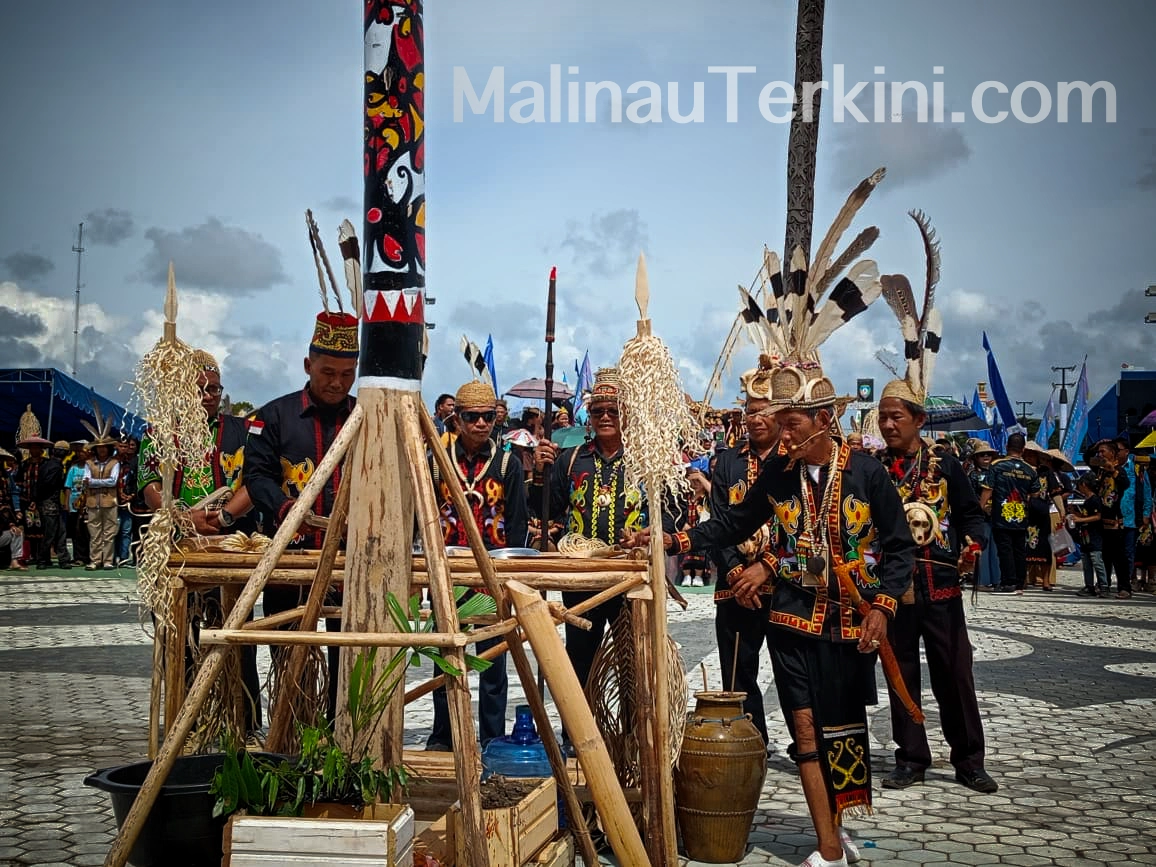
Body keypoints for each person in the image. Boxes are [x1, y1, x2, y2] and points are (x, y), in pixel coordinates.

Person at [629, 361, 915, 867]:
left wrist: (884, 610)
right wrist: (670, 539)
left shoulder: (866, 473)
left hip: (847, 624)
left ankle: (838, 827)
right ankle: (827, 847)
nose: (785, 434)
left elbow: (899, 549)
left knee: (840, 731)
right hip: (789, 621)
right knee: (803, 730)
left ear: (824, 419)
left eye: (793, 424)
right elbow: (732, 522)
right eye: (782, 424)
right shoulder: (780, 474)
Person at [875, 391, 996, 794]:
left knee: (955, 672)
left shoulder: (946, 467)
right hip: (891, 590)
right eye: (882, 418)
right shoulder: (874, 469)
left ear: (918, 421)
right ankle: (910, 757)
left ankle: (968, 759)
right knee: (900, 673)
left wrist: (972, 545)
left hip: (939, 585)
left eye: (896, 417)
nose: (888, 425)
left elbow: (970, 516)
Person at [139, 350, 262, 732]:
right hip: (178, 547)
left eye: (215, 389)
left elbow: (257, 479)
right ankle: (185, 723)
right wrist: (182, 517)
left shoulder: (243, 431)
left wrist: (225, 515)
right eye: (201, 389)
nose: (209, 396)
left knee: (236, 635)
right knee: (181, 637)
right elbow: (148, 482)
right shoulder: (159, 432)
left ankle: (244, 721)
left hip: (229, 545)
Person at [245, 306, 358, 721]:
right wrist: (284, 508)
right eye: (328, 372)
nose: (337, 383)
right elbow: (255, 477)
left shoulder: (364, 418)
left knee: (346, 660)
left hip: (348, 564)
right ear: (308, 365)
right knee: (290, 660)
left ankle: (340, 746)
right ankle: (290, 741)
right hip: (290, 562)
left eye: (347, 375)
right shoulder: (272, 416)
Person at [531, 369, 648, 703]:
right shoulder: (571, 460)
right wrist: (541, 473)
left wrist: (646, 536)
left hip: (630, 576)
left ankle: (629, 739)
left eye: (614, 410)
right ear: (590, 417)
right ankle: (578, 738)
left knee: (633, 662)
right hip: (583, 577)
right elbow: (547, 510)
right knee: (581, 658)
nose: (606, 417)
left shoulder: (643, 462)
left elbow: (667, 512)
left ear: (626, 414)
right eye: (599, 412)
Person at [425, 380, 528, 750]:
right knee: (445, 655)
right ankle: (444, 734)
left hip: (491, 575)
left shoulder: (507, 463)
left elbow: (517, 524)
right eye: (472, 417)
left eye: (488, 417)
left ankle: (491, 737)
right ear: (457, 418)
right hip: (448, 573)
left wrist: (512, 579)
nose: (481, 424)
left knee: (492, 661)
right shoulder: (436, 459)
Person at [706, 375, 784, 747]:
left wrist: (766, 565)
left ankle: (807, 742)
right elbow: (718, 521)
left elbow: (802, 523)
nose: (755, 419)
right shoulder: (726, 463)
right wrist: (737, 573)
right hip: (736, 587)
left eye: (764, 411)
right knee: (738, 670)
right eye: (750, 412)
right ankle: (752, 742)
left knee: (793, 672)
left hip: (787, 585)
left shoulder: (794, 460)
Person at [980, 433, 1041, 594]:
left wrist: (980, 506)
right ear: (1023, 449)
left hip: (1001, 513)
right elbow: (1035, 494)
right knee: (1019, 550)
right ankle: (1020, 583)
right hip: (1021, 514)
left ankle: (1009, 582)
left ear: (1007, 447)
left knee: (1005, 549)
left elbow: (988, 488)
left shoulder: (997, 465)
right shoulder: (1031, 470)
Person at [17, 435, 70, 570]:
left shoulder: (46, 464)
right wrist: (36, 498)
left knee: (57, 531)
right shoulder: (54, 467)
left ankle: (60, 559)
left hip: (46, 501)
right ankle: (43, 559)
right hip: (48, 501)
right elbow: (47, 484)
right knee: (50, 532)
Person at [1093, 439, 1133, 599]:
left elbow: (1125, 483)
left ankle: (1124, 587)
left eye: (1103, 451)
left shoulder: (1119, 470)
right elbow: (1090, 456)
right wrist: (1097, 445)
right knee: (1105, 556)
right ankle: (1104, 584)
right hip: (1101, 518)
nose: (1100, 454)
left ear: (1112, 453)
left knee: (1119, 557)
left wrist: (1113, 471)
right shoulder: (1100, 470)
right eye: (1099, 452)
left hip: (1115, 520)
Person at [1113, 435, 1150, 599]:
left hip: (1131, 518)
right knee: (1113, 553)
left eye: (1118, 450)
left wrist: (1146, 514)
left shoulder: (1137, 468)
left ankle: (1126, 584)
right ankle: (1110, 583)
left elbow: (1147, 492)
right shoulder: (1109, 467)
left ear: (1127, 451)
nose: (1115, 453)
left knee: (1128, 553)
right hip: (1113, 518)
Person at [965, 441, 1000, 590]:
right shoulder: (973, 475)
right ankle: (981, 581)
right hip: (981, 516)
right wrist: (981, 507)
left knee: (996, 549)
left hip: (998, 516)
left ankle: (997, 579)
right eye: (981, 454)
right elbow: (970, 496)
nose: (986, 456)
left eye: (988, 454)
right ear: (975, 458)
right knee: (982, 549)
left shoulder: (997, 472)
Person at [83, 434, 121, 570]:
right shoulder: (89, 463)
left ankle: (108, 560)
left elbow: (113, 481)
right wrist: (96, 483)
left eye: (104, 447)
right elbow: (85, 480)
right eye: (99, 448)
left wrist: (93, 482)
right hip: (93, 501)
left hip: (109, 502)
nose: (102, 450)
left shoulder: (114, 463)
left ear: (109, 448)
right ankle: (95, 560)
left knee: (109, 532)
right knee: (94, 533)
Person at [1070, 473, 1108, 597]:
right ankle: (1089, 585)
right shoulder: (1087, 501)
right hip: (1085, 536)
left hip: (1094, 536)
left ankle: (1104, 586)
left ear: (1084, 485)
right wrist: (1074, 513)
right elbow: (1086, 516)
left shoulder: (1095, 500)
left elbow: (1097, 517)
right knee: (1086, 563)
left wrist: (1080, 520)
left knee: (1097, 561)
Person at [64, 442, 91, 566]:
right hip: (74, 504)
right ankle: (78, 557)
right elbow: (68, 487)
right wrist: (66, 503)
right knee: (76, 531)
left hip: (88, 504)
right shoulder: (73, 468)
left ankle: (88, 556)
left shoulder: (91, 467)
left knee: (87, 531)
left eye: (83, 452)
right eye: (79, 452)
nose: (81, 454)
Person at [0, 448, 24, 570]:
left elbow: (14, 492)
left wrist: (17, 510)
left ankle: (14, 561)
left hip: (5, 512)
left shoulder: (7, 476)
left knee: (17, 532)